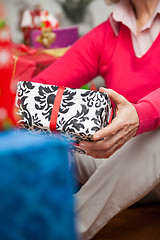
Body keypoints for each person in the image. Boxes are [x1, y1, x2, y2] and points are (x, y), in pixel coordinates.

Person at [31, 0, 160, 239]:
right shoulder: (106, 34)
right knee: (44, 148)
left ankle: (65, 227)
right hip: (115, 164)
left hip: (155, 160)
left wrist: (141, 114)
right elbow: (38, 92)